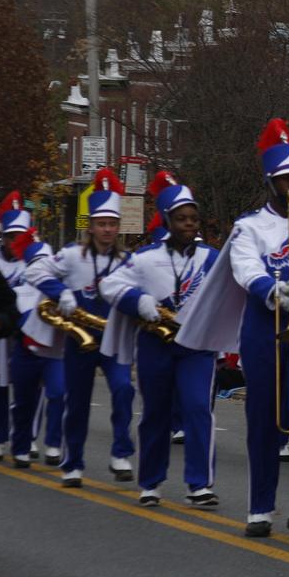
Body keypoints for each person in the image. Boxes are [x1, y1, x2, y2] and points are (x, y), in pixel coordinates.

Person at [177, 118, 289, 540]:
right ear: (269, 180)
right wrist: (271, 290)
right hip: (264, 329)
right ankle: (260, 505)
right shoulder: (247, 227)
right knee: (263, 418)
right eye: (285, 180)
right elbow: (244, 266)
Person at [99, 172, 219, 508]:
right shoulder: (145, 258)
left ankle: (200, 484)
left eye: (194, 219)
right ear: (167, 220)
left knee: (198, 408)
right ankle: (150, 482)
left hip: (197, 346)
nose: (189, 224)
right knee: (155, 413)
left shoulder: (210, 257)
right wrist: (139, 301)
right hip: (155, 344)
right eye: (181, 219)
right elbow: (110, 286)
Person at [27, 169, 136, 488]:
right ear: (91, 226)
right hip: (80, 341)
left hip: (114, 341)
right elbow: (35, 271)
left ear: (118, 227)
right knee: (76, 403)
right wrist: (59, 292)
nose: (107, 229)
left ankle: (121, 454)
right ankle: (72, 462)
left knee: (124, 389)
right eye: (101, 224)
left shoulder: (127, 260)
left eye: (112, 224)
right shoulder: (72, 256)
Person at [7, 229, 64, 468]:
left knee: (58, 394)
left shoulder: (62, 289)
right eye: (38, 264)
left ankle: (53, 444)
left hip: (55, 352)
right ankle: (21, 445)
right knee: (24, 400)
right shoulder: (18, 292)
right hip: (26, 352)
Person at [0, 192, 29, 461]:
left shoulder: (33, 260)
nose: (15, 242)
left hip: (17, 330)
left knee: (23, 386)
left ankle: (16, 439)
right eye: (10, 236)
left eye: (20, 236)